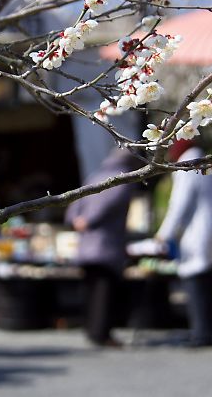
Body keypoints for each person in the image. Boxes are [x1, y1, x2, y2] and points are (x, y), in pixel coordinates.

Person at [149, 140, 212, 347]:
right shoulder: (202, 160)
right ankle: (206, 330)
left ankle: (200, 333)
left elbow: (179, 205)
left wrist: (164, 234)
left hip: (199, 233)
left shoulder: (188, 165)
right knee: (209, 284)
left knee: (195, 284)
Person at [65, 148, 140, 348]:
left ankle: (91, 330)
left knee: (90, 289)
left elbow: (75, 202)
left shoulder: (94, 176)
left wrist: (76, 221)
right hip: (105, 245)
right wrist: (88, 221)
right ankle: (101, 333)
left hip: (85, 245)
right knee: (104, 293)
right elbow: (107, 205)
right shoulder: (123, 180)